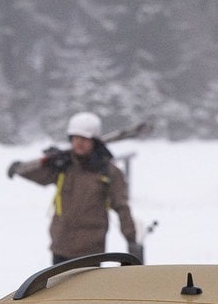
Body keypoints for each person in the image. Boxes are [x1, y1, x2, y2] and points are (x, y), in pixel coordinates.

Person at [8, 111, 138, 263]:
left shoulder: (109, 172)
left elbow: (121, 206)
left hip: (91, 250)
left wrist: (131, 239)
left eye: (84, 139)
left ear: (94, 141)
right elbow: (36, 174)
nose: (79, 143)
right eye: (75, 138)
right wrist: (27, 166)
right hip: (60, 246)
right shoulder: (63, 165)